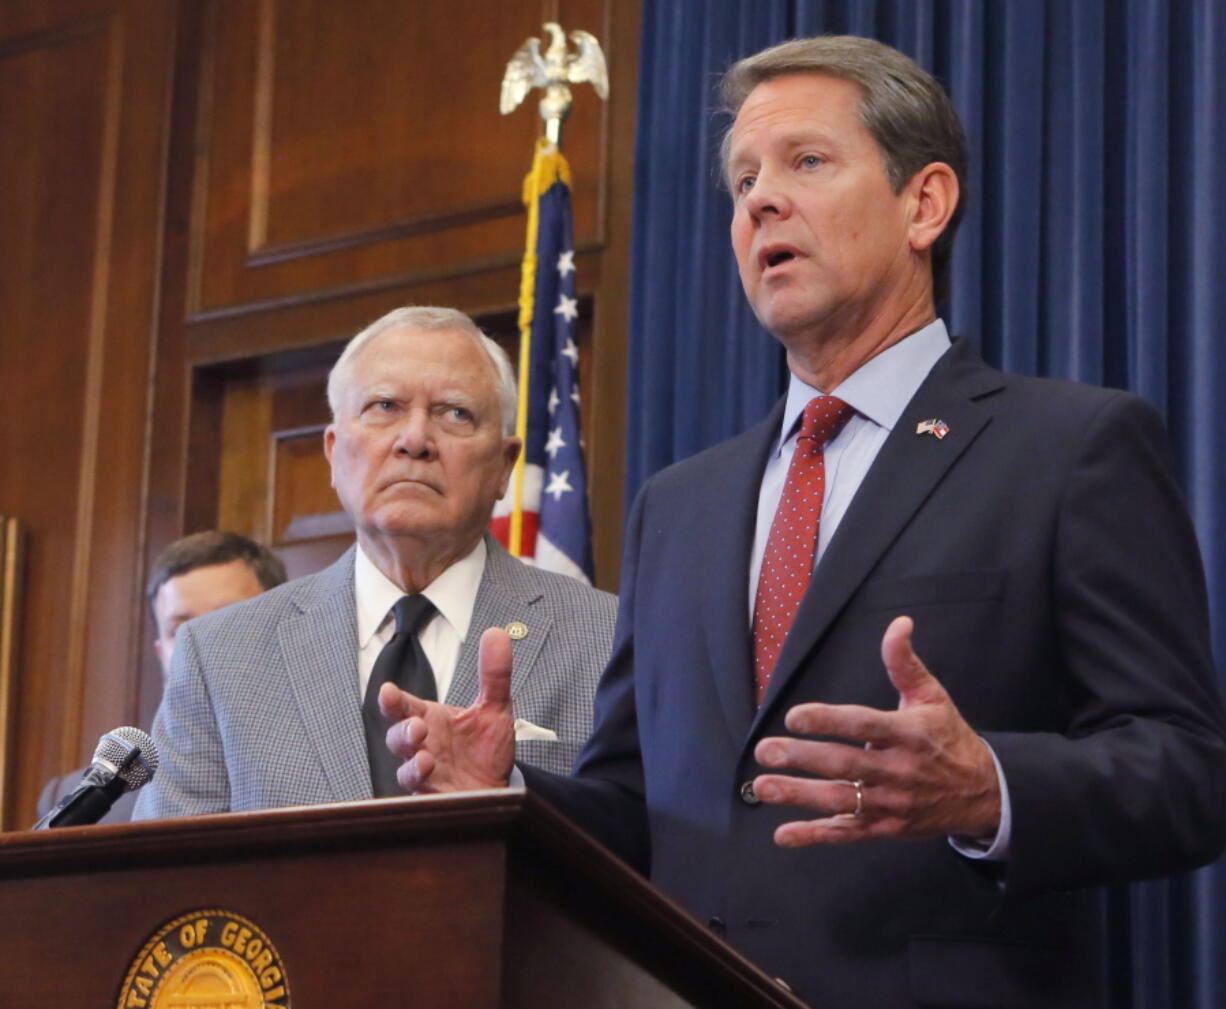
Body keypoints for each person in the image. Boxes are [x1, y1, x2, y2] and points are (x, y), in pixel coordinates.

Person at [378, 36, 1226, 1009]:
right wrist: (513, 792)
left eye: (805, 163)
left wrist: (989, 784)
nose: (758, 202)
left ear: (924, 203)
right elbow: (637, 810)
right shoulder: (679, 504)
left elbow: (1183, 773)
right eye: (741, 181)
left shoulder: (1067, 447)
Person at [133, 306, 616, 819]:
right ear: (334, 454)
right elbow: (169, 881)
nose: (414, 440)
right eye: (385, 406)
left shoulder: (609, 638)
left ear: (503, 466)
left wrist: (513, 787)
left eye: (455, 413)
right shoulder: (220, 655)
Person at [37, 531, 286, 823]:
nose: (201, 647)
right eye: (181, 630)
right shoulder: (84, 803)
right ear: (160, 652)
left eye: (227, 621)